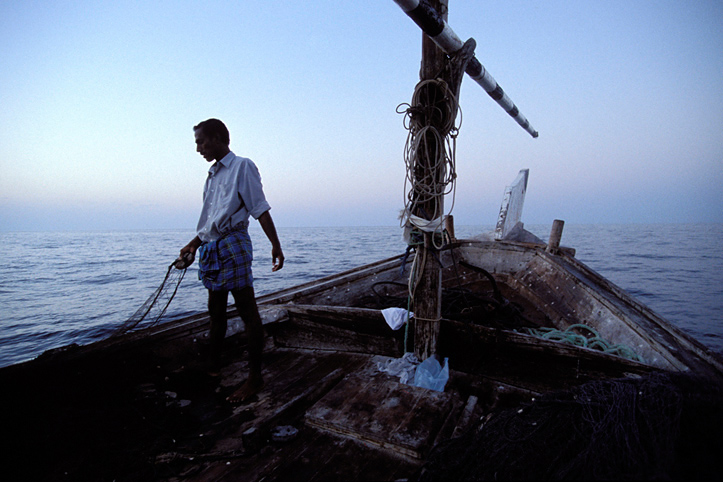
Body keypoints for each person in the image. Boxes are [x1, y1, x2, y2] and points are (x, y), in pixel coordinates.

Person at [178, 118, 284, 403]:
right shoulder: (212, 175)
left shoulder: (242, 166)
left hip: (234, 244)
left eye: (201, 141)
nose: (198, 148)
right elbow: (210, 220)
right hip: (210, 247)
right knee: (216, 312)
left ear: (216, 138)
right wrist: (193, 243)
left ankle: (254, 378)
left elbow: (259, 208)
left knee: (248, 312)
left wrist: (275, 244)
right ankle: (213, 366)